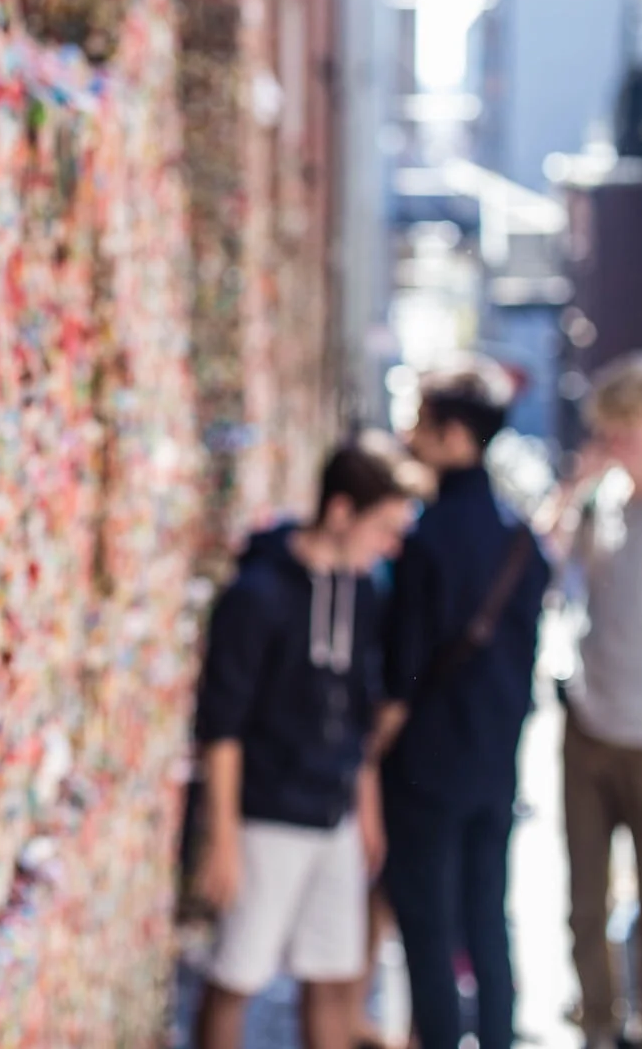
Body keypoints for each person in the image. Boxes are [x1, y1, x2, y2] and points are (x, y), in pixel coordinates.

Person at [192, 436, 422, 1049]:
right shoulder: (257, 597)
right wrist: (222, 838)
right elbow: (221, 724)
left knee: (333, 976)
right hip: (265, 816)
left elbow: (357, 713)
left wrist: (365, 809)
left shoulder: (365, 590)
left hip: (335, 815)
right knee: (236, 976)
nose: (390, 547)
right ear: (342, 511)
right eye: (383, 528)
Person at [373, 358, 553, 1049]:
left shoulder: (426, 538)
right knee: (486, 918)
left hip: (426, 762)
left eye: (420, 423)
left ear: (454, 434)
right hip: (496, 755)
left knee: (426, 927)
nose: (410, 436)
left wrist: (374, 747)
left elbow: (402, 667)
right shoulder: (519, 536)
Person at [539, 353, 642, 1049]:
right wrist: (572, 490)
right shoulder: (602, 499)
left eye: (627, 428)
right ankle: (600, 1026)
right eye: (609, 429)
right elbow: (549, 570)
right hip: (591, 722)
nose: (615, 442)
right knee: (583, 901)